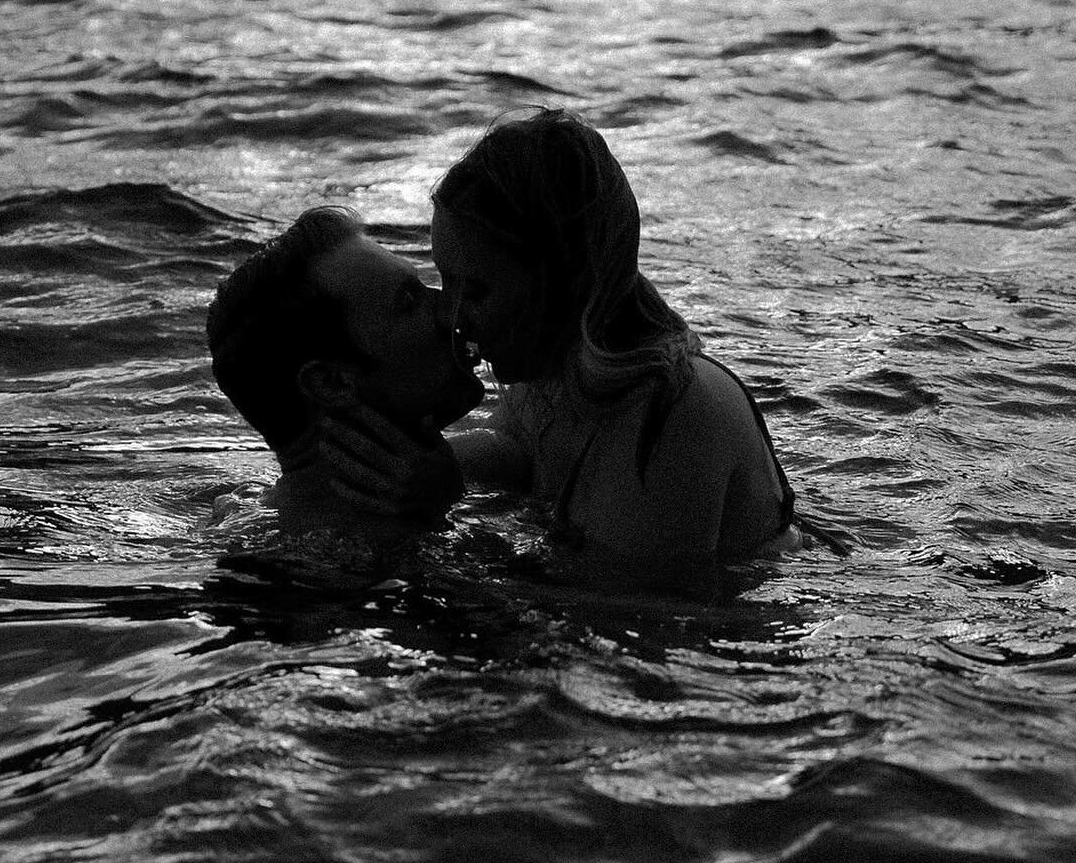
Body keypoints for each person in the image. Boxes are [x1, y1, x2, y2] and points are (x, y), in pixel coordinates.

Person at [322, 110, 797, 587]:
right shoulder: (551, 371)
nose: (451, 314)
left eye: (478, 291)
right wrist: (417, 469)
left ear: (564, 283)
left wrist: (449, 549)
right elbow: (523, 450)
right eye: (445, 281)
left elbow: (636, 617)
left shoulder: (674, 412)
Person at [206, 206, 482, 529]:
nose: (451, 311)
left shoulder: (261, 511)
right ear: (332, 383)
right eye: (408, 302)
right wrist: (443, 516)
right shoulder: (333, 562)